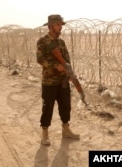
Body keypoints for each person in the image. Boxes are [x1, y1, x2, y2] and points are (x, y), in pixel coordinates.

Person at [36, 14, 80, 145]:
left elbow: (66, 60)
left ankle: (66, 130)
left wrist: (70, 73)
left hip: (63, 81)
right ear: (50, 26)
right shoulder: (42, 41)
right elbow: (40, 59)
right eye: (57, 24)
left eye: (61, 24)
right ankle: (45, 134)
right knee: (47, 107)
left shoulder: (61, 42)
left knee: (66, 106)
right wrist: (55, 66)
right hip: (49, 81)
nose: (60, 27)